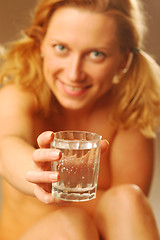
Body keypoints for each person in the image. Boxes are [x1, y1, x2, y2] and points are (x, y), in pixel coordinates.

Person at [0, 0, 160, 239]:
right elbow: (5, 143)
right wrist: (40, 172)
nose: (74, 73)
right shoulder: (20, 93)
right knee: (72, 224)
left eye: (96, 54)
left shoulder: (128, 112)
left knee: (128, 198)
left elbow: (126, 214)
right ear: (41, 43)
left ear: (123, 60)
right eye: (61, 48)